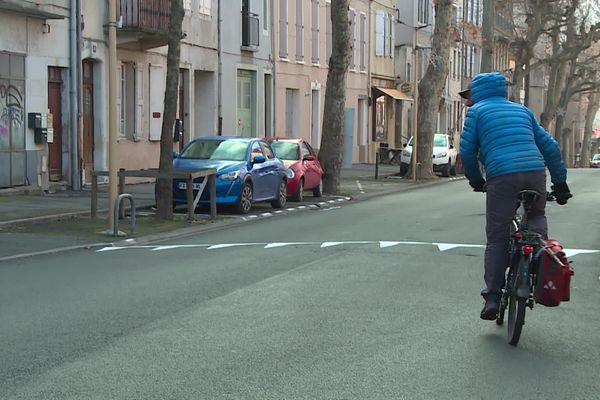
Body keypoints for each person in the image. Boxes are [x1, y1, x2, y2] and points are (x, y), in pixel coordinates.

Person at [458, 72, 572, 320]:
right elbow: (550, 146)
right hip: (534, 172)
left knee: (498, 237)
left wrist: (476, 180)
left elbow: (467, 151)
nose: (468, 100)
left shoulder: (476, 113)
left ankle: (492, 298)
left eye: (470, 95)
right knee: (537, 217)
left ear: (477, 93)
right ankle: (537, 273)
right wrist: (560, 183)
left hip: (501, 176)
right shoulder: (523, 112)